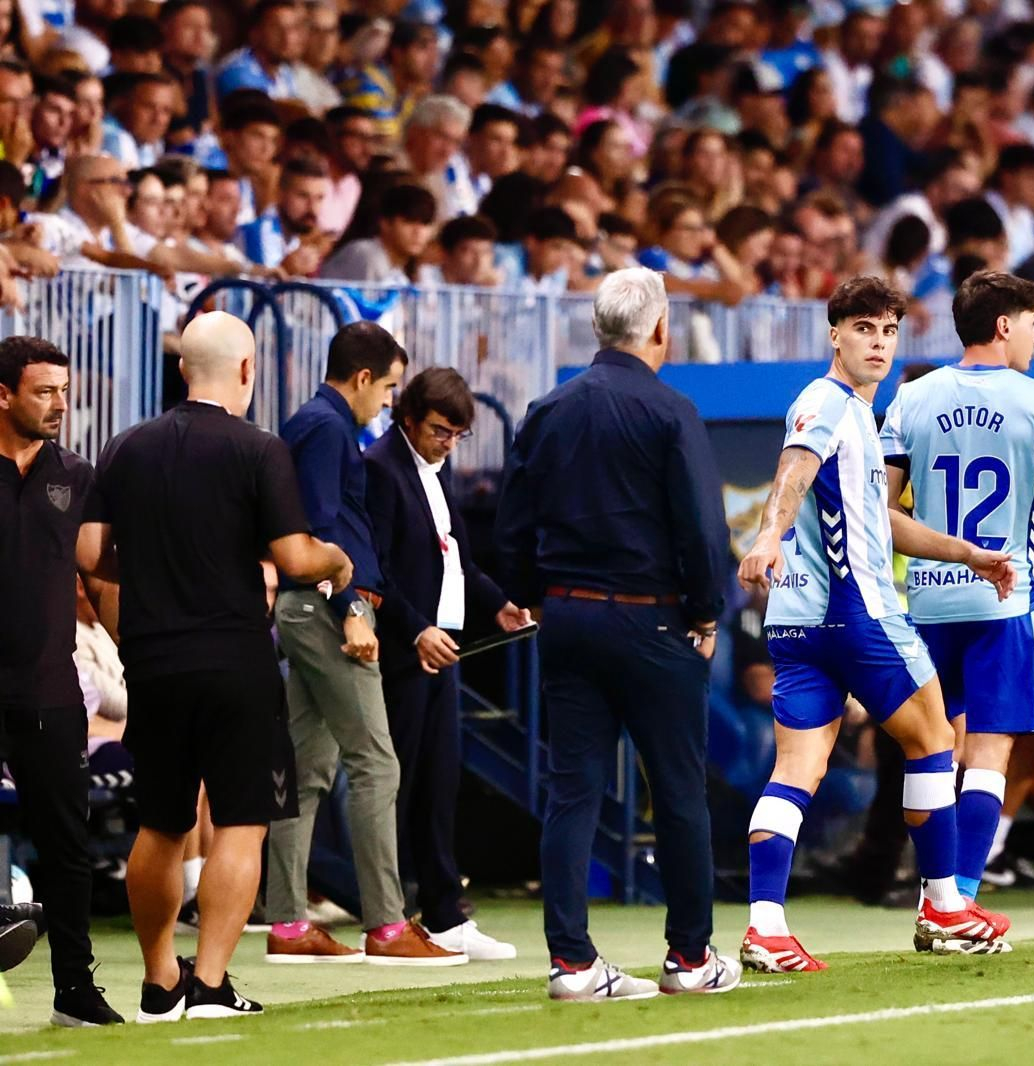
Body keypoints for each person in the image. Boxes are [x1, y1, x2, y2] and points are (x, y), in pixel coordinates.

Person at [735, 275, 1017, 973]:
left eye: (889, 331)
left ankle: (764, 926)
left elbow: (879, 519)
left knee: (798, 767)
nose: (879, 344)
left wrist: (966, 553)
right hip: (857, 614)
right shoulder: (826, 403)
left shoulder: (862, 415)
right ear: (835, 334)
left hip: (797, 626)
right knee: (934, 741)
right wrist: (768, 535)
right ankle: (945, 907)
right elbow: (793, 470)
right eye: (864, 329)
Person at [77, 313, 354, 1021]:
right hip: (233, 657)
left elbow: (89, 554)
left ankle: (158, 980)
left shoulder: (126, 446)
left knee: (162, 824)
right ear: (246, 370)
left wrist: (133, 631)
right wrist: (336, 559)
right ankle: (209, 985)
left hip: (156, 662)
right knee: (241, 820)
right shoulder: (259, 449)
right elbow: (293, 558)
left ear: (180, 371)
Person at [496, 268, 740, 1001]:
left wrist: (524, 595)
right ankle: (690, 958)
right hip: (653, 616)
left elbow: (512, 521)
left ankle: (571, 963)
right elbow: (702, 528)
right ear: (659, 329)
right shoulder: (670, 411)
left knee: (573, 791)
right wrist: (706, 612)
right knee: (677, 792)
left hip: (567, 615)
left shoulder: (547, 408)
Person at [878, 271, 1034, 910]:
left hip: (929, 601)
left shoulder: (912, 397)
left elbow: (879, 512)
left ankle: (931, 890)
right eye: (1031, 323)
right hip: (1004, 603)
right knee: (990, 754)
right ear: (1003, 326)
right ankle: (958, 899)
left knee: (935, 749)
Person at [265, 322, 464, 967]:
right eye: (386, 387)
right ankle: (385, 924)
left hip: (309, 607)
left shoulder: (313, 425)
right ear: (359, 378)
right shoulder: (327, 429)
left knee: (307, 767)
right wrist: (352, 607)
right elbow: (324, 527)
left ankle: (289, 922)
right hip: (330, 609)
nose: (387, 401)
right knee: (377, 763)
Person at [365, 368, 530, 961]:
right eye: (440, 431)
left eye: (457, 435)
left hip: (444, 648)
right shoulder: (381, 469)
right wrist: (414, 630)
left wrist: (500, 607)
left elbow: (457, 559)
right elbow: (375, 570)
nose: (447, 443)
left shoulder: (438, 471)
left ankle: (442, 913)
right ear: (408, 418)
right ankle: (387, 915)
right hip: (405, 652)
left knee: (439, 782)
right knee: (396, 783)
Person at [0, 336, 121, 1027]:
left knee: (69, 848)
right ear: (3, 395)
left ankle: (76, 991)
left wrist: (139, 657)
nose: (59, 405)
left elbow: (99, 578)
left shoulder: (75, 475)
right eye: (44, 391)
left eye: (64, 392)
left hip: (51, 689)